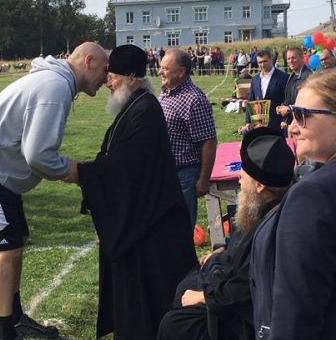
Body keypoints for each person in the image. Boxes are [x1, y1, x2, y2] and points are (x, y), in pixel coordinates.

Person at [0, 42, 109, 340]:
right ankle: (5, 333)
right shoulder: (55, 87)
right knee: (6, 248)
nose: (106, 77)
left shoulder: (55, 82)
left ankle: (14, 319)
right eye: (104, 69)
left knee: (15, 245)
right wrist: (76, 172)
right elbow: (38, 154)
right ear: (88, 61)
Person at [75, 45, 196, 340]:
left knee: (150, 309)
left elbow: (125, 170)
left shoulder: (145, 110)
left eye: (113, 76)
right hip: (144, 224)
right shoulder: (137, 106)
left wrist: (82, 173)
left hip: (150, 230)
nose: (108, 83)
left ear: (130, 78)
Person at [158, 127, 294, 340]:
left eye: (244, 174)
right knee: (185, 284)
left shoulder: (270, 228)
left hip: (241, 317)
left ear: (259, 186)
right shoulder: (270, 206)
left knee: (175, 324)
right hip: (228, 285)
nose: (239, 179)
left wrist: (204, 297)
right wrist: (223, 251)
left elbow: (244, 287)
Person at [250, 69, 336, 340]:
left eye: (302, 115)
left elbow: (296, 311)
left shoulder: (312, 195)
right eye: (291, 115)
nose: (292, 126)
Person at [159, 48, 217, 229]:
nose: (160, 72)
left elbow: (208, 141)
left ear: (181, 71)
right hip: (165, 172)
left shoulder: (194, 100)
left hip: (184, 175)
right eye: (161, 67)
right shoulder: (165, 93)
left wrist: (204, 179)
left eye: (165, 69)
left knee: (181, 228)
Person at [240, 49, 288, 133]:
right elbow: (250, 101)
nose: (262, 64)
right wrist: (247, 122)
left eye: (265, 61)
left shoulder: (284, 77)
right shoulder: (255, 79)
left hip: (278, 124)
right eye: (260, 62)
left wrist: (285, 120)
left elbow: (287, 100)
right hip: (259, 124)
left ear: (271, 60)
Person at [276, 47, 311, 123]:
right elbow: (290, 99)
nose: (290, 61)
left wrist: (289, 108)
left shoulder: (308, 77)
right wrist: (282, 107)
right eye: (288, 59)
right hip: (293, 121)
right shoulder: (291, 76)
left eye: (294, 58)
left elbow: (308, 102)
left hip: (303, 122)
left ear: (302, 58)